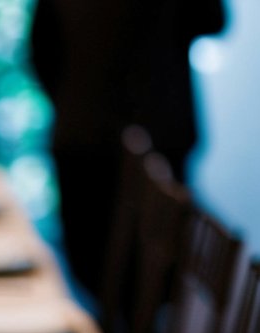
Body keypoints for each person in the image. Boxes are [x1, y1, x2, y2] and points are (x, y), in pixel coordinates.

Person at [29, 0, 227, 298]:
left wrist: (74, 103)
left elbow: (42, 48)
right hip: (153, 127)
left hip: (88, 131)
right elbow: (211, 19)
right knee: (145, 280)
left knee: (102, 272)